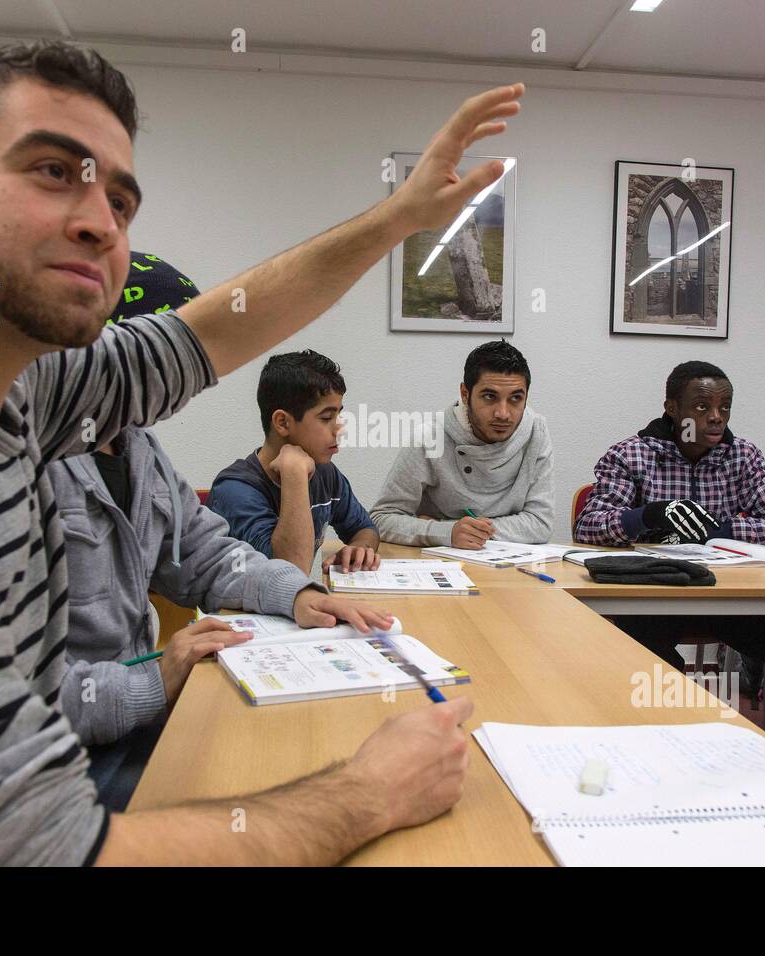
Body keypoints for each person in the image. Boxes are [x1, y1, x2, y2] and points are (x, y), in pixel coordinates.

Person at [0, 38, 521, 865]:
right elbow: (25, 856)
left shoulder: (25, 388)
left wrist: (398, 219)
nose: (99, 224)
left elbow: (211, 332)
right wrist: (368, 793)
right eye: (52, 171)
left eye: (121, 201)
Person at [48, 255, 389, 811]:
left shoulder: (141, 452)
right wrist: (155, 680)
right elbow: (2, 702)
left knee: (296, 761)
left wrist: (297, 594)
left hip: (135, 725)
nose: (189, 384)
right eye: (178, 359)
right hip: (67, 765)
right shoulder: (28, 464)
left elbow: (207, 556)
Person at [574, 361, 765, 760]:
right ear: (672, 408)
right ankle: (663, 760)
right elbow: (588, 527)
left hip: (731, 599)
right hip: (654, 599)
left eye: (725, 407)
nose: (715, 417)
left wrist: (720, 531)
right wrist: (644, 516)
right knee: (648, 660)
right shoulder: (633, 455)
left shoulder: (741, 456)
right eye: (701, 407)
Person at [209, 350, 382, 574]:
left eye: (339, 415)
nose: (339, 428)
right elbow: (288, 570)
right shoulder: (235, 490)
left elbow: (365, 528)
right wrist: (294, 475)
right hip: (239, 608)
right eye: (326, 418)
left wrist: (360, 548)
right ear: (282, 422)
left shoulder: (325, 473)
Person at [371, 340, 553, 549]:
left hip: (511, 565)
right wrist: (447, 533)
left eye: (515, 398)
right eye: (489, 396)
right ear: (465, 394)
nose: (503, 413)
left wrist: (456, 529)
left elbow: (541, 523)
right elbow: (381, 518)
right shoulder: (430, 436)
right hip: (441, 565)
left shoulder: (536, 431)